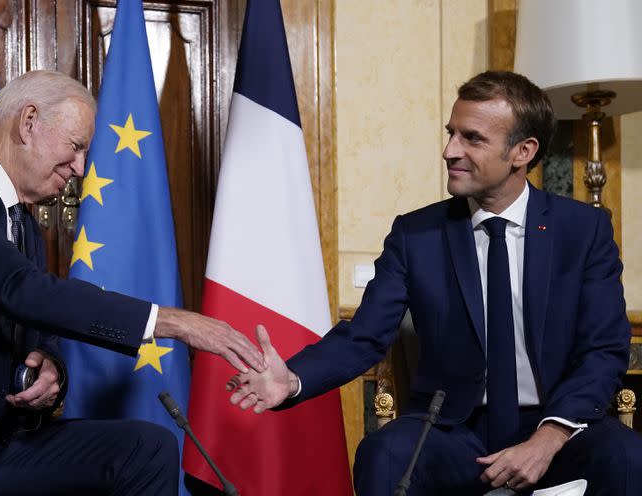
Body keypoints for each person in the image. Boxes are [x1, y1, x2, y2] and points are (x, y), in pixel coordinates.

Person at [227, 71, 642, 495]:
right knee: (384, 454)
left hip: (555, 424)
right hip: (452, 429)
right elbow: (364, 337)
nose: (450, 151)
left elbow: (603, 348)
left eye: (472, 138)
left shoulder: (583, 230)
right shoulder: (416, 235)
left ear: (523, 151)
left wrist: (548, 438)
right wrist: (292, 378)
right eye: (451, 134)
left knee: (626, 456)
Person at [0, 70, 265, 496]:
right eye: (75, 147)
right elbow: (17, 289)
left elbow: (36, 326)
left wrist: (51, 368)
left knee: (146, 448)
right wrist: (173, 322)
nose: (80, 168)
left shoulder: (23, 224)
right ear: (28, 123)